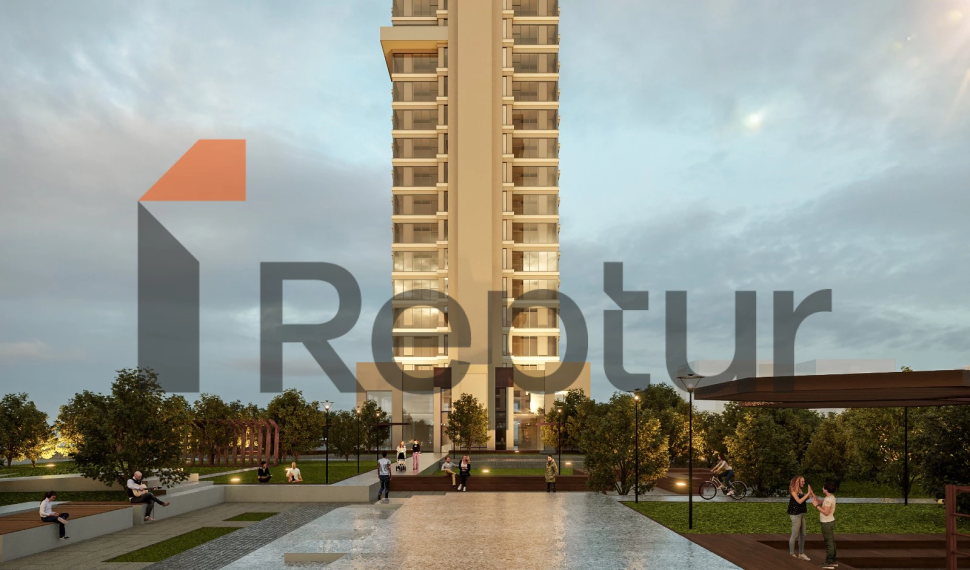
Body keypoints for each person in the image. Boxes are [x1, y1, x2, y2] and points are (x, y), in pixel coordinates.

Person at [787, 475, 814, 561]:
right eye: (802, 481)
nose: (803, 483)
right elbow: (799, 501)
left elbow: (803, 500)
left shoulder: (800, 490)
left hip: (801, 514)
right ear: (797, 482)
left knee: (803, 534)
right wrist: (808, 494)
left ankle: (801, 553)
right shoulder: (793, 490)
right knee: (794, 535)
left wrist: (808, 496)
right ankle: (791, 554)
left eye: (804, 481)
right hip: (795, 515)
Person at [813, 482, 838, 569]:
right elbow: (820, 502)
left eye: (823, 487)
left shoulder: (828, 500)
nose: (822, 488)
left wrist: (816, 506)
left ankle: (829, 562)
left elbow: (826, 512)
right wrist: (813, 496)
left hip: (826, 522)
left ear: (826, 489)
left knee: (829, 543)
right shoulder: (830, 497)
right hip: (830, 521)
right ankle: (833, 561)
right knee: (831, 541)